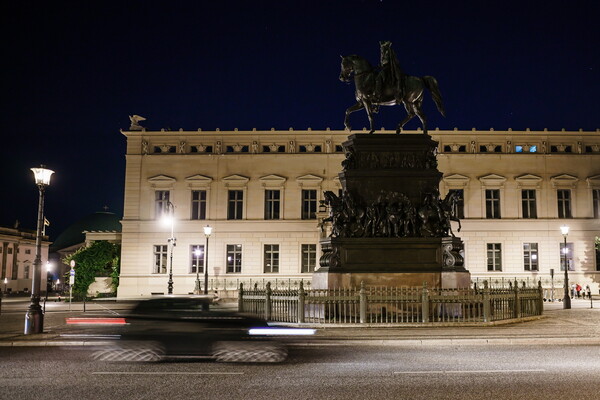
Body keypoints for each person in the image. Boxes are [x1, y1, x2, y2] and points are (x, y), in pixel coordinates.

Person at [374, 41, 404, 106]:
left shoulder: (388, 52)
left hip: (388, 68)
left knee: (378, 78)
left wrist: (383, 63)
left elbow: (388, 61)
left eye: (382, 47)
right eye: (381, 47)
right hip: (384, 68)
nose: (381, 48)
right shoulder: (384, 52)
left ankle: (377, 94)